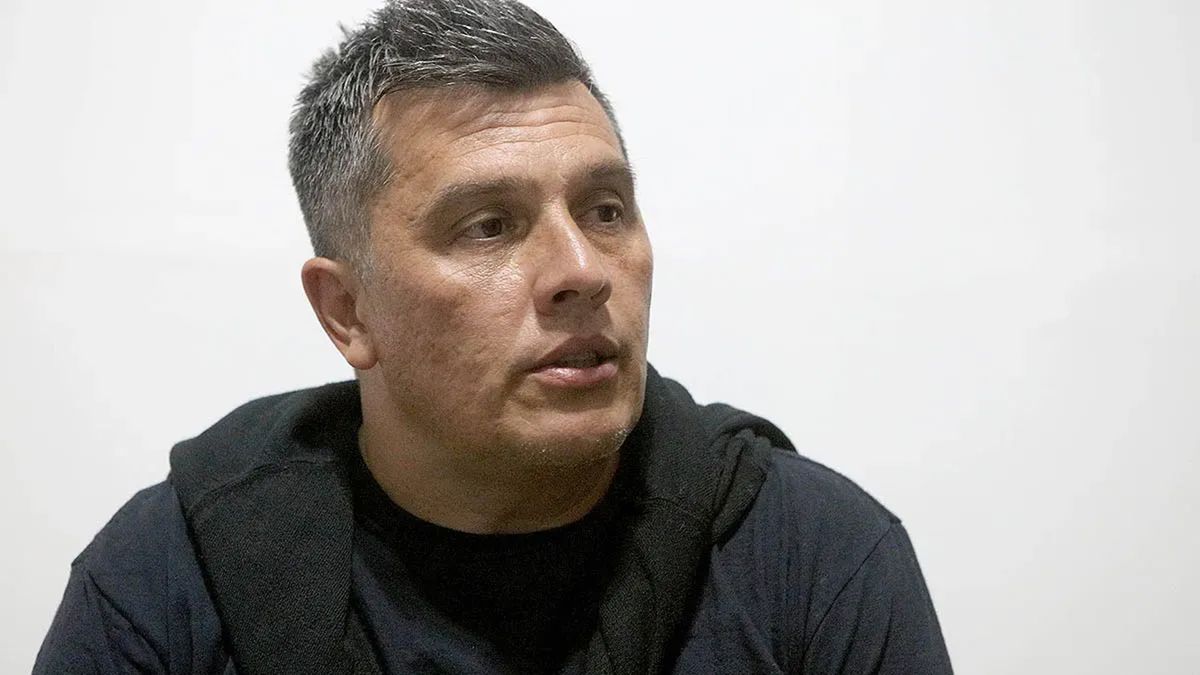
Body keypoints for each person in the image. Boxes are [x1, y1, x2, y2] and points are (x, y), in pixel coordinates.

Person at [35, 0, 953, 672]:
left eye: (605, 209)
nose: (582, 269)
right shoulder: (171, 575)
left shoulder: (812, 553)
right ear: (347, 312)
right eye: (489, 226)